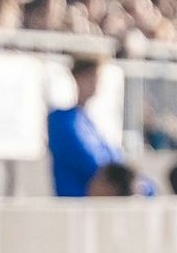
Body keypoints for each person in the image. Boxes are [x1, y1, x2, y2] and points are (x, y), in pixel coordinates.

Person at [48, 57, 123, 198]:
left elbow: (115, 158)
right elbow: (91, 163)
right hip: (75, 204)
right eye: (93, 77)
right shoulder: (62, 120)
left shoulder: (89, 120)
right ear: (80, 78)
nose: (97, 84)